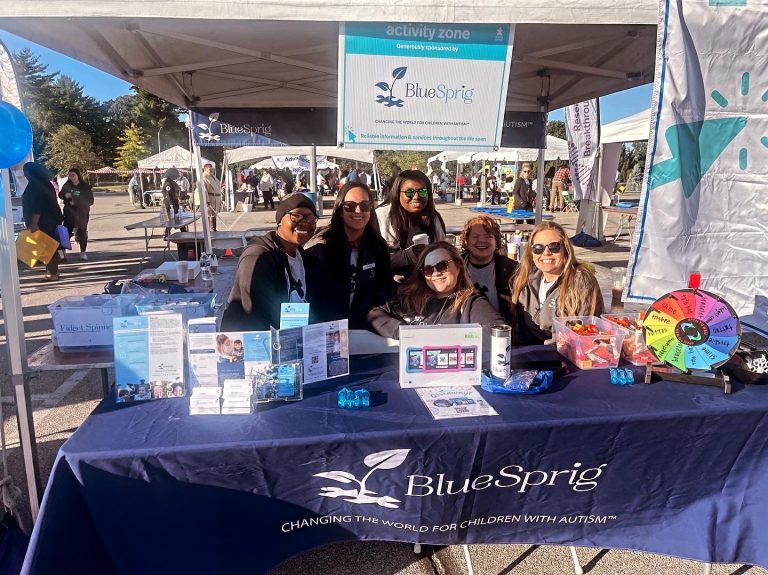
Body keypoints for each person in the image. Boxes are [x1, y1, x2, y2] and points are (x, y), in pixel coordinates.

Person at [368, 241, 504, 345]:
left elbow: (497, 333)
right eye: (428, 270)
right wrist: (404, 332)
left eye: (442, 266)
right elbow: (374, 314)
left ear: (458, 266)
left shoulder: (471, 303)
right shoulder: (411, 298)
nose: (436, 273)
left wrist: (439, 337)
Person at [222, 193, 318, 331]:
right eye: (296, 216)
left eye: (311, 218)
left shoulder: (300, 254)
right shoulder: (258, 256)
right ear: (280, 220)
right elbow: (255, 312)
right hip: (254, 338)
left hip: (293, 332)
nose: (304, 222)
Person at [305, 181, 391, 329]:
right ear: (340, 210)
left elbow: (383, 289)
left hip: (365, 330)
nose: (358, 211)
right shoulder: (320, 247)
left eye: (365, 205)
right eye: (350, 206)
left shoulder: (378, 246)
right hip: (327, 329)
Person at [509, 221, 604, 344]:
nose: (546, 253)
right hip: (529, 350)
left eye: (554, 247)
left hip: (564, 351)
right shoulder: (524, 279)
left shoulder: (581, 282)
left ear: (566, 249)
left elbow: (576, 334)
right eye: (538, 248)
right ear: (531, 252)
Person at [375, 169, 446, 282]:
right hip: (391, 285)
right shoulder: (382, 216)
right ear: (397, 193)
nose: (416, 196)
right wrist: (409, 255)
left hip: (428, 283)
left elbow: (443, 250)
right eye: (409, 192)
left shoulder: (433, 217)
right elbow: (374, 260)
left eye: (422, 192)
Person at [460, 215, 517, 325]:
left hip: (502, 328)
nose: (482, 240)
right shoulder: (455, 267)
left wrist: (516, 307)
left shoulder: (512, 269)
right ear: (466, 241)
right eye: (475, 236)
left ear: (496, 241)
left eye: (488, 236)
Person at [22, 162, 64, 281]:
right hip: (52, 219)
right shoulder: (45, 183)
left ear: (30, 172)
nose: (24, 174)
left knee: (46, 247)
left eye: (25, 172)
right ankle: (54, 271)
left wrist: (34, 222)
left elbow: (37, 206)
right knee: (51, 246)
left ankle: (52, 273)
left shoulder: (35, 185)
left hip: (44, 221)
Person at [58, 167, 94, 261]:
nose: (71, 177)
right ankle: (63, 253)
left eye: (73, 175)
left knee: (82, 232)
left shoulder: (84, 186)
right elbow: (60, 194)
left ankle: (83, 252)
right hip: (69, 212)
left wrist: (76, 201)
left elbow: (90, 201)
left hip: (82, 213)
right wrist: (65, 196)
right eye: (69, 176)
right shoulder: (67, 185)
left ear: (78, 176)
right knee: (66, 232)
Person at [160, 168, 181, 238]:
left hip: (171, 203)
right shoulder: (168, 183)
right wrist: (171, 204)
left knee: (173, 219)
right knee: (169, 220)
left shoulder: (172, 182)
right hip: (168, 204)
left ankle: (167, 233)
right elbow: (168, 195)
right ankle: (166, 234)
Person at [202, 163, 222, 231]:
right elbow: (204, 190)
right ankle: (211, 230)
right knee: (210, 214)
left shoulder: (212, 176)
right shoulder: (204, 178)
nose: (211, 170)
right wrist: (207, 200)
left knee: (214, 214)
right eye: (209, 169)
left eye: (211, 169)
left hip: (216, 198)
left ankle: (214, 229)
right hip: (211, 198)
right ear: (205, 169)